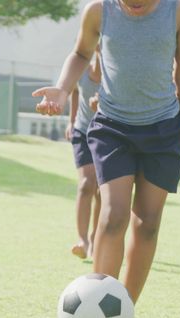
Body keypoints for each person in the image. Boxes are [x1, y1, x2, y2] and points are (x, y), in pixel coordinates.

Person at [33, 0, 180, 318]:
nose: (134, 4)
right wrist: (63, 89)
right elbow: (80, 53)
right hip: (113, 126)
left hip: (164, 128)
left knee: (147, 224)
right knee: (113, 216)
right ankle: (97, 316)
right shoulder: (98, 11)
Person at [65, 49, 102, 260]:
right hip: (82, 131)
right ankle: (83, 240)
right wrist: (71, 121)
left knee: (101, 191)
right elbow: (76, 91)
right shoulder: (83, 71)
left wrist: (102, 106)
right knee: (86, 184)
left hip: (106, 133)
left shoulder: (114, 77)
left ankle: (96, 239)